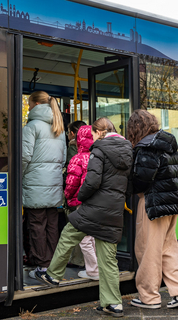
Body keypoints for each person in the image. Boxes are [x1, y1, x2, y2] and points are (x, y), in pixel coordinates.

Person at [34, 117, 133, 318]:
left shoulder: (99, 150)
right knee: (108, 259)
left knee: (69, 234)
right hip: (113, 211)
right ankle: (113, 303)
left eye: (94, 133)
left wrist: (81, 197)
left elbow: (92, 181)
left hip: (94, 208)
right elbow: (130, 184)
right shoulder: (128, 150)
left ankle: (53, 275)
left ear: (99, 133)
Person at [127, 109, 178, 309]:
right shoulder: (167, 144)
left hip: (153, 204)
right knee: (168, 249)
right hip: (172, 204)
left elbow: (141, 180)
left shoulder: (147, 147)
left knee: (147, 250)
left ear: (135, 129)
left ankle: (149, 297)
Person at [22, 91, 66, 279]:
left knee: (37, 226)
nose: (28, 107)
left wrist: (18, 177)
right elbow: (63, 160)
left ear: (36, 104)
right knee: (52, 226)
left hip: (35, 184)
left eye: (29, 104)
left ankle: (42, 267)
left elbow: (24, 157)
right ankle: (53, 266)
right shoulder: (59, 127)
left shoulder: (32, 127)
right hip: (54, 184)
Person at [64, 125, 99, 280]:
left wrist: (67, 196)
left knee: (84, 239)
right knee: (93, 237)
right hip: (97, 202)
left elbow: (72, 183)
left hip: (81, 202)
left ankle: (93, 270)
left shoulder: (78, 158)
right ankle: (97, 267)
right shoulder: (98, 156)